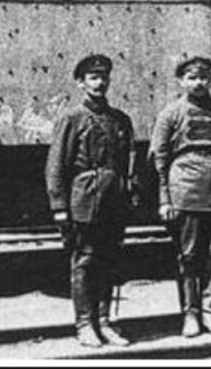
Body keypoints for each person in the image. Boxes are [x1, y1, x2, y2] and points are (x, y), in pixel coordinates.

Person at [45, 53, 137, 348]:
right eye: (93, 78)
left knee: (109, 260)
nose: (100, 83)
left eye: (104, 77)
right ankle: (85, 324)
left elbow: (130, 161)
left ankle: (105, 322)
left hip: (113, 200)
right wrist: (59, 207)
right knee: (85, 260)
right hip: (84, 199)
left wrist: (130, 192)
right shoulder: (71, 118)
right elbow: (56, 165)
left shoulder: (120, 119)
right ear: (81, 83)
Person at [150, 55, 211, 338]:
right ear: (181, 81)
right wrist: (165, 199)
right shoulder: (171, 113)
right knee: (189, 256)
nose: (199, 83)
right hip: (185, 190)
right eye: (192, 78)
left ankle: (209, 311)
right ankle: (190, 313)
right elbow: (159, 159)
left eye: (204, 77)